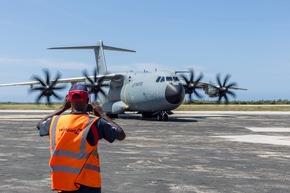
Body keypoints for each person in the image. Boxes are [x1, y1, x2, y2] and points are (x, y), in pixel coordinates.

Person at [37, 84, 126, 193]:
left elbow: (40, 124)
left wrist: (62, 108)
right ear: (88, 100)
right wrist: (103, 115)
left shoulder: (55, 122)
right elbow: (121, 134)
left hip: (64, 183)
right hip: (87, 184)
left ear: (69, 100)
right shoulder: (95, 123)